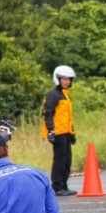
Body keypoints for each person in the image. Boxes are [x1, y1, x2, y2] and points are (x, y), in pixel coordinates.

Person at [42, 65, 77, 196]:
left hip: (66, 132)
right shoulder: (53, 95)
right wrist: (51, 130)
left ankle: (64, 185)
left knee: (67, 159)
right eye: (64, 79)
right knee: (60, 160)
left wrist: (72, 132)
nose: (67, 82)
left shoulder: (66, 96)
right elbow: (48, 114)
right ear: (58, 79)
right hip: (58, 132)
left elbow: (67, 116)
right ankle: (57, 187)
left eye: (69, 79)